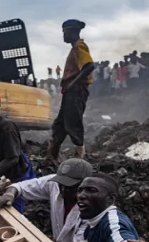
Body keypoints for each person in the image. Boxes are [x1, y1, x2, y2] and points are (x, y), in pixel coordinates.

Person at [48, 19, 95, 161]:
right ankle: (51, 158)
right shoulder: (75, 48)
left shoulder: (79, 46)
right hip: (71, 91)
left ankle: (79, 159)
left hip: (76, 91)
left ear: (72, 31)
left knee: (73, 124)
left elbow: (89, 66)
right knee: (59, 126)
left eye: (65, 32)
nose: (63, 35)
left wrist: (73, 83)